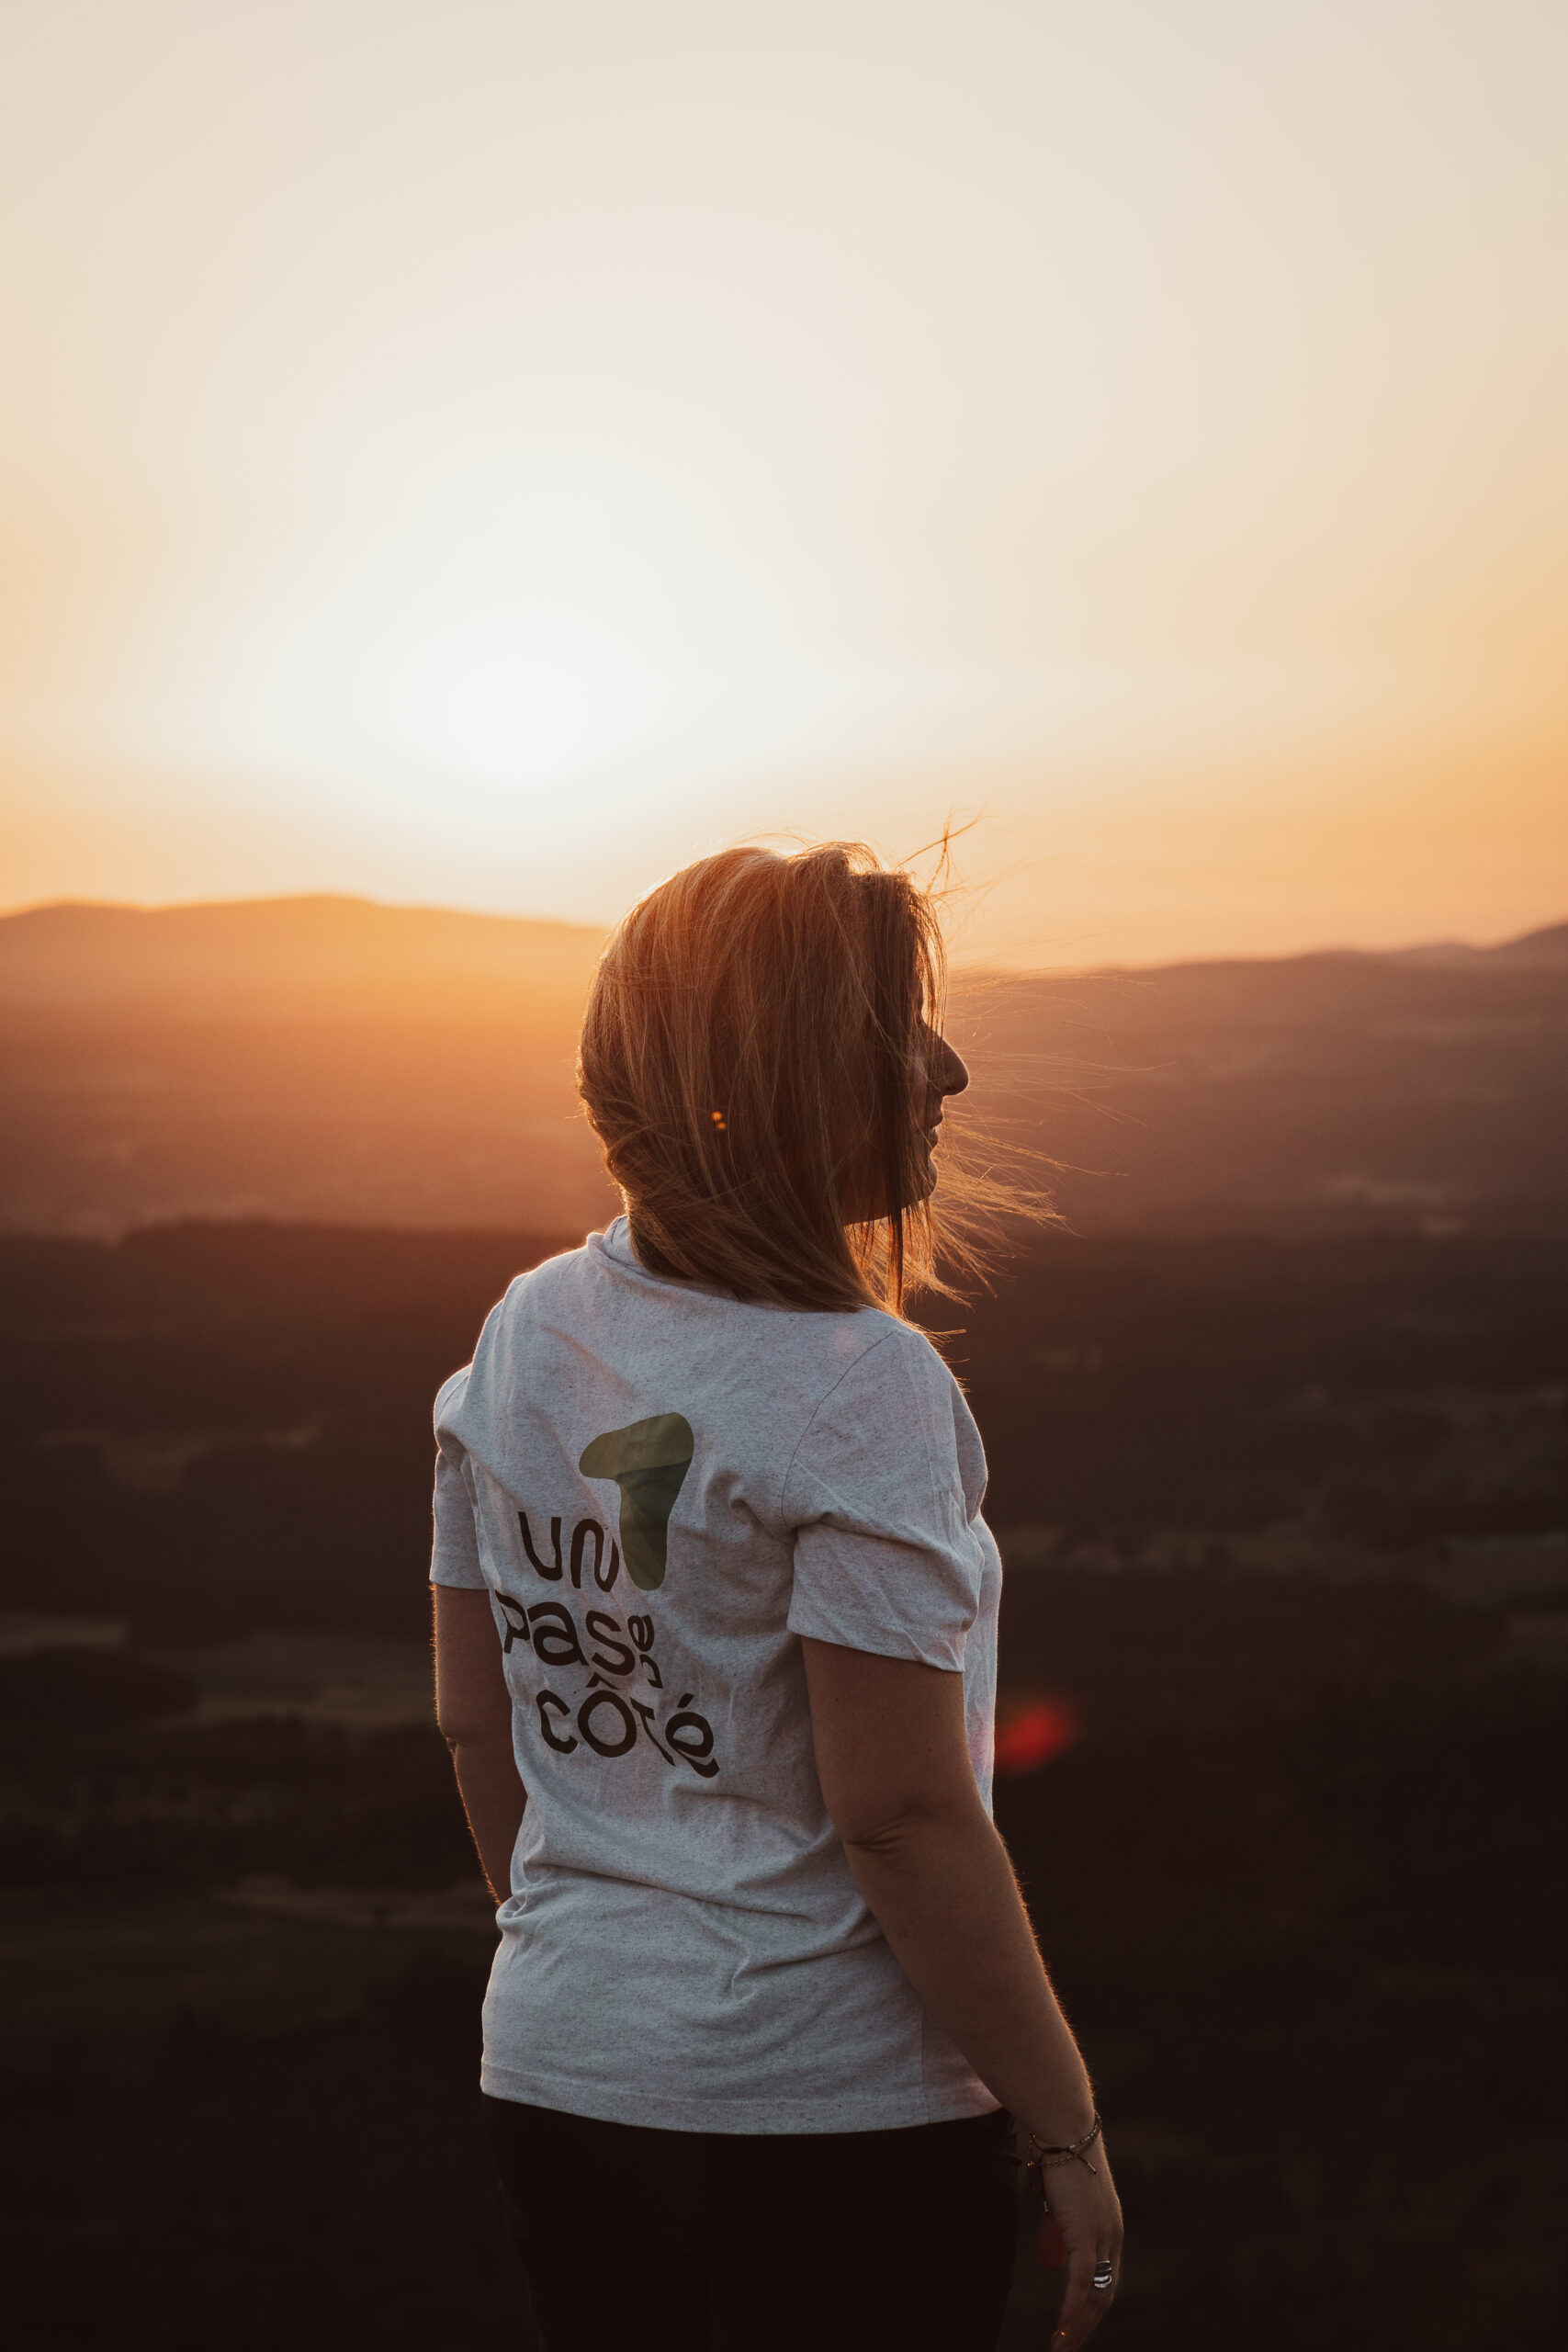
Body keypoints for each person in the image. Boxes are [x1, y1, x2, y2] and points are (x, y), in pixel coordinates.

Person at [430, 842, 1122, 2351]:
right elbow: (902, 1817)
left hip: (563, 2081)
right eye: (897, 1033)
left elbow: (479, 1724)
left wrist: (599, 1967)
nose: (948, 1070)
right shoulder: (859, 1384)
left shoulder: (526, 1329)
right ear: (779, 1081)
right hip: (828, 2120)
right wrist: (1064, 2126)